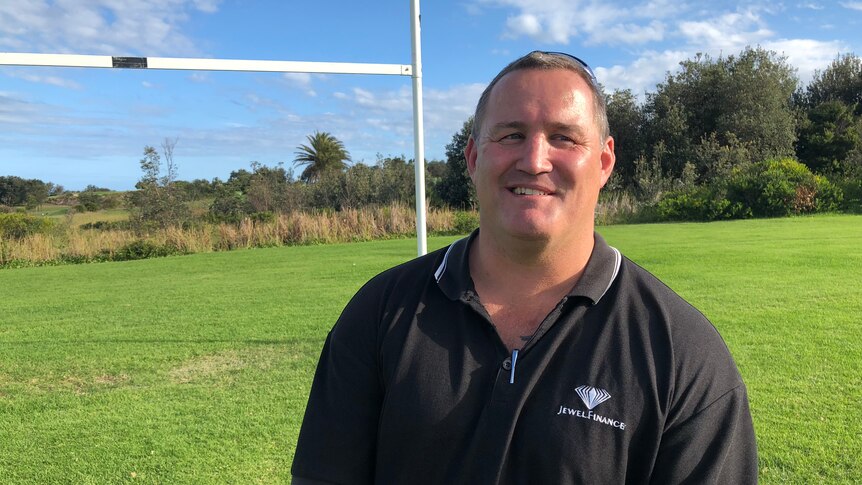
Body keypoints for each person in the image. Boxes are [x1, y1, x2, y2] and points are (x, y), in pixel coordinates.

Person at [291, 51, 757, 484]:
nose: (534, 160)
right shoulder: (380, 312)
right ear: (474, 158)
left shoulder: (682, 351)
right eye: (512, 135)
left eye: (564, 138)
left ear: (604, 162)